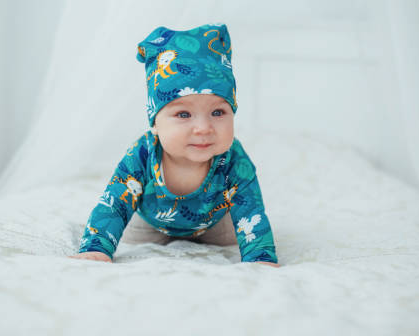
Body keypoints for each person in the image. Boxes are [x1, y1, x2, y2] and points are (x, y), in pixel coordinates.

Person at [69, 23, 279, 267]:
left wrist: (259, 256)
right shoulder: (143, 153)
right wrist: (97, 248)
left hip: (212, 223)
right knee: (123, 231)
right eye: (183, 115)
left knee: (237, 231)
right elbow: (114, 203)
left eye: (218, 112)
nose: (204, 128)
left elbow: (250, 209)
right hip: (151, 221)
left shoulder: (233, 158)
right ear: (155, 124)